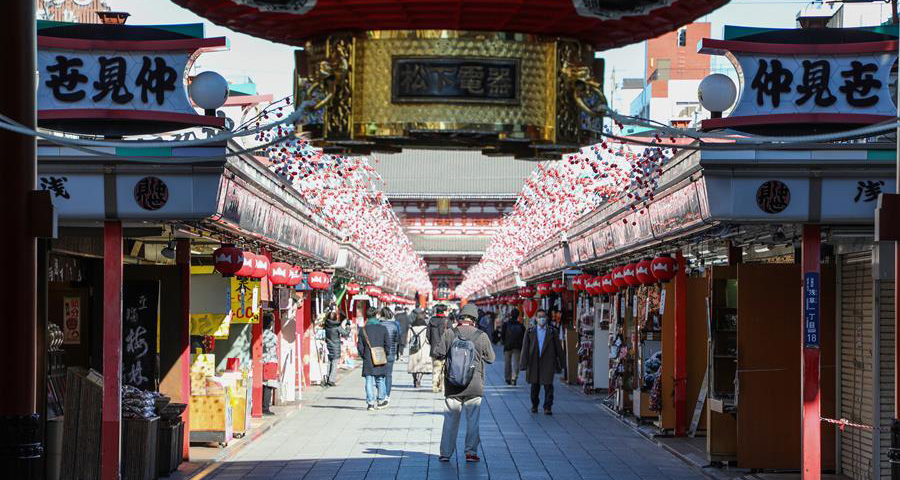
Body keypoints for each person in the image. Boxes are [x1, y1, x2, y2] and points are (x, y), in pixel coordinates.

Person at [433, 304, 495, 463]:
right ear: (474, 319)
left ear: (461, 318)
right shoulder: (481, 335)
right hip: (474, 386)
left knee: (450, 421)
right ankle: (471, 453)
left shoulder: (449, 333)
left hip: (453, 385)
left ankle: (445, 453)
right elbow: (491, 358)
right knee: (473, 421)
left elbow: (437, 353)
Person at [519, 309, 565, 415]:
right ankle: (534, 405)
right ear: (536, 318)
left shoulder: (552, 331)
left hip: (548, 361)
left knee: (548, 385)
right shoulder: (530, 331)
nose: (542, 319)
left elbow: (559, 348)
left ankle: (547, 407)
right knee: (535, 386)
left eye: (543, 316)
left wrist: (563, 363)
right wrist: (523, 364)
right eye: (539, 317)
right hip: (534, 361)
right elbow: (525, 348)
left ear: (547, 318)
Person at [357, 307, 390, 410]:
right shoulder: (383, 328)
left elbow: (360, 347)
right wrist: (385, 354)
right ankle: (380, 400)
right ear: (376, 315)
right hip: (380, 356)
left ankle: (370, 403)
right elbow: (387, 344)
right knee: (380, 379)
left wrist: (364, 356)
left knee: (369, 380)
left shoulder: (363, 330)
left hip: (368, 357)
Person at [379, 307, 401, 405]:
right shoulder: (395, 325)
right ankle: (387, 395)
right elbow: (397, 339)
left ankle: (381, 393)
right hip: (391, 353)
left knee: (380, 375)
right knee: (388, 375)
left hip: (380, 353)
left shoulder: (378, 325)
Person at [323, 308, 349, 387]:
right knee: (334, 363)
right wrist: (348, 326)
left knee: (329, 362)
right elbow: (345, 333)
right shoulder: (337, 326)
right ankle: (331, 380)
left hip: (328, 345)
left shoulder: (327, 325)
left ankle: (327, 378)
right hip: (336, 346)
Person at [427, 304, 450, 393]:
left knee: (436, 368)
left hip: (434, 349)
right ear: (444, 311)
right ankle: (442, 386)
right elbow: (451, 335)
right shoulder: (447, 321)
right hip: (445, 349)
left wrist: (432, 343)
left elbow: (428, 335)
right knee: (444, 369)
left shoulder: (431, 320)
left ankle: (434, 386)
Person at [406, 310, 432, 388]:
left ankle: (414, 379)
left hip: (414, 349)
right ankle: (419, 380)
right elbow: (428, 339)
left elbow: (408, 339)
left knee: (414, 366)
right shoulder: (426, 328)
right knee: (421, 366)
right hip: (424, 349)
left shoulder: (412, 328)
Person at [501, 309, 525, 386]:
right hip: (517, 347)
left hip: (507, 346)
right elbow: (523, 337)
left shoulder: (506, 324)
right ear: (518, 315)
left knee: (507, 363)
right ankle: (514, 377)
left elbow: (502, 335)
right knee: (516, 363)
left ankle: (508, 378)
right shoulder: (521, 325)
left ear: (511, 315)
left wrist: (505, 342)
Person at [261, 313, 279, 415]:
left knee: (262, 384)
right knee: (269, 385)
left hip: (261, 361)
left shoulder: (259, 334)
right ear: (270, 324)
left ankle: (260, 406)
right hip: (271, 361)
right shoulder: (273, 336)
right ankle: (265, 408)